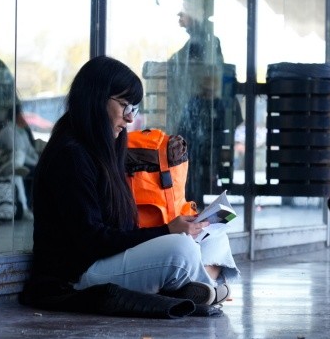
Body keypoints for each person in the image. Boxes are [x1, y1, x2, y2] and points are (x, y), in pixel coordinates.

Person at [28, 56, 229, 307]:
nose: (130, 119)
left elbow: (122, 229)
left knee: (214, 236)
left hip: (110, 258)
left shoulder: (101, 151)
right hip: (79, 275)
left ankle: (193, 286)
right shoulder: (71, 155)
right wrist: (166, 232)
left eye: (133, 108)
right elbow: (91, 242)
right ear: (95, 99)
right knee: (181, 249)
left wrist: (173, 229)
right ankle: (201, 285)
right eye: (125, 106)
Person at [168, 0, 229, 207]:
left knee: (191, 172)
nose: (179, 15)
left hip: (201, 120)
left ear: (195, 12)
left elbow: (207, 81)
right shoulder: (203, 41)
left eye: (184, 9)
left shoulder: (204, 41)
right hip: (200, 117)